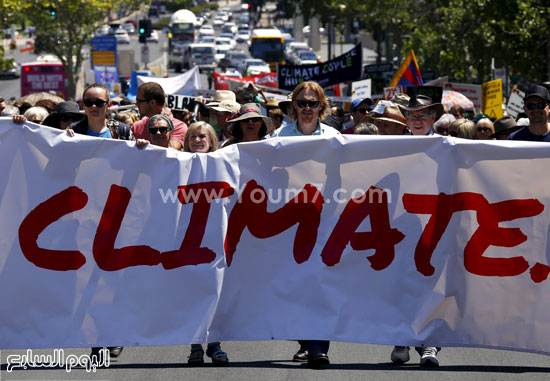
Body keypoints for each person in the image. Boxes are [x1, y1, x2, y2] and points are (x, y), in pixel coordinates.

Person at [271, 81, 339, 369]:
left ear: (321, 107)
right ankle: (305, 339)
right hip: (289, 221)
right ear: (293, 106)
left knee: (319, 281)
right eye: (302, 103)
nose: (307, 108)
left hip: (324, 219)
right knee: (295, 282)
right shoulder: (278, 137)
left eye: (313, 103)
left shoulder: (335, 138)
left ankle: (318, 346)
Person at [67, 83, 131, 361]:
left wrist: (140, 147)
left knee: (115, 278)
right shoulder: (72, 133)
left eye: (99, 102)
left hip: (119, 215)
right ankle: (95, 341)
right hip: (84, 218)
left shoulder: (122, 131)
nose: (94, 106)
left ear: (109, 105)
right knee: (88, 281)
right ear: (83, 104)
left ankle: (113, 334)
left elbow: (138, 166)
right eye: (89, 101)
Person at [391, 93, 443, 367]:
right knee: (402, 282)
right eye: (412, 115)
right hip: (403, 225)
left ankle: (430, 343)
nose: (418, 120)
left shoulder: (448, 146)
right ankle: (402, 337)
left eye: (423, 115)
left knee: (433, 284)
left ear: (433, 117)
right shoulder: (397, 148)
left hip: (436, 225)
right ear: (406, 119)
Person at [182, 122, 228, 366]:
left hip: (215, 236)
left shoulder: (223, 163)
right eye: (193, 137)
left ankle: (215, 343)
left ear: (212, 140)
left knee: (215, 290)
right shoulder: (174, 163)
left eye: (203, 136)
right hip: (186, 239)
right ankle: (195, 346)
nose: (198, 140)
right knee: (191, 291)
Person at [132, 82, 188, 150]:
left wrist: (148, 147)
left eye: (163, 130)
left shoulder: (179, 127)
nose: (136, 104)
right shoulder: (136, 127)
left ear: (152, 102)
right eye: (153, 130)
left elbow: (170, 151)